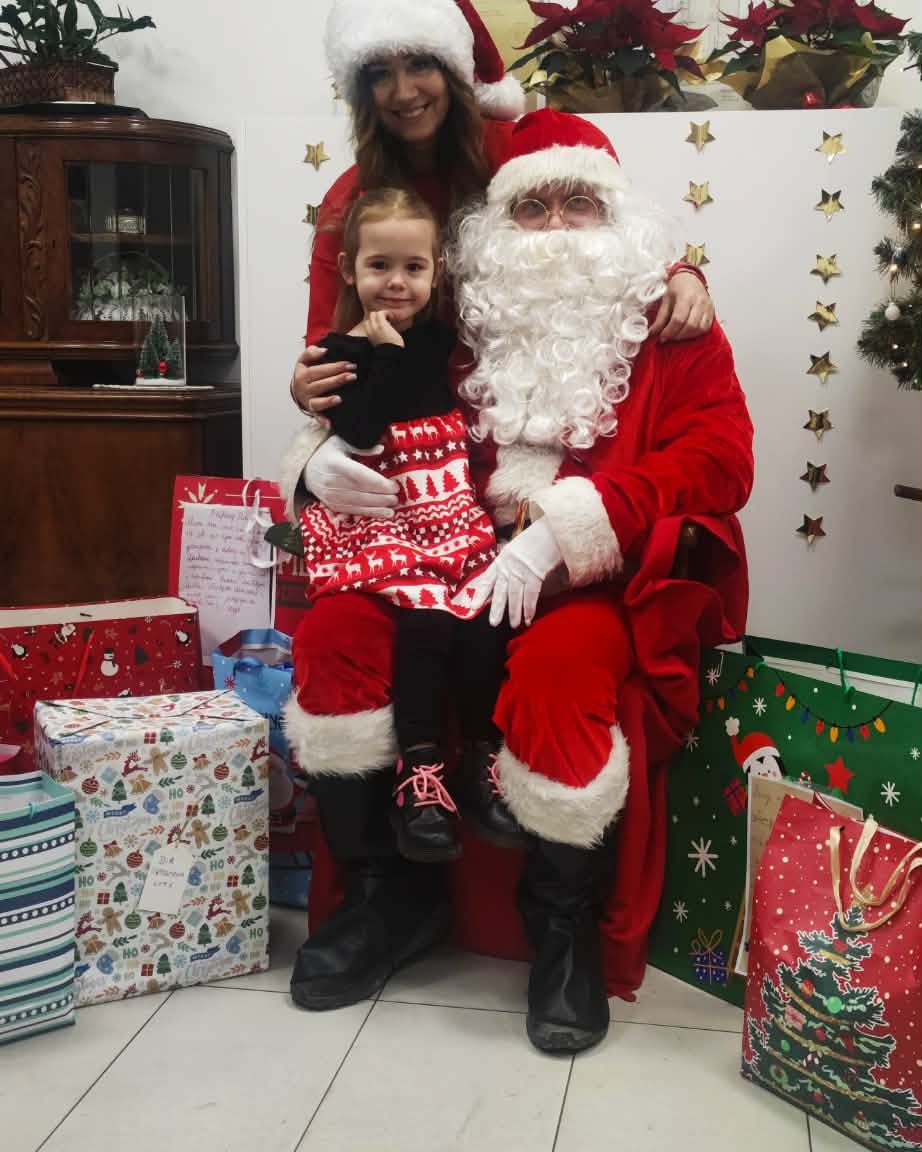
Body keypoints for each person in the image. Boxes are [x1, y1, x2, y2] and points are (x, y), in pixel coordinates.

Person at [280, 1, 743, 1054]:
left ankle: (562, 927)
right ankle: (387, 898)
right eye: (530, 208)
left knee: (560, 673)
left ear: (621, 222)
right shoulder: (461, 330)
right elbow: (356, 390)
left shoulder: (670, 326)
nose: (555, 228)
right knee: (337, 636)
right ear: (490, 235)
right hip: (440, 557)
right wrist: (314, 458)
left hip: (595, 577)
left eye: (581, 204)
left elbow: (723, 460)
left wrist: (568, 526)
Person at [298, 186, 518, 866]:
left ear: (435, 273)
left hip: (449, 510)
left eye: (413, 268)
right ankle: (419, 772)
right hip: (387, 521)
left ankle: (480, 757)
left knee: (482, 619)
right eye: (380, 266)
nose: (396, 282)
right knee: (426, 624)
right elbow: (361, 430)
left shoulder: (444, 339)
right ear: (350, 270)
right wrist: (383, 352)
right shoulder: (340, 351)